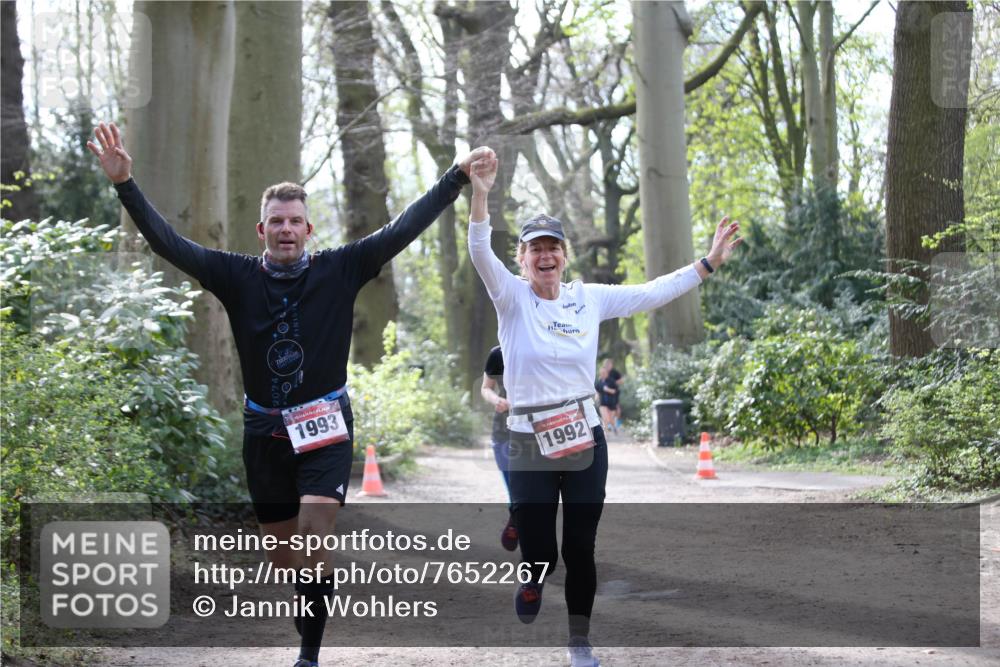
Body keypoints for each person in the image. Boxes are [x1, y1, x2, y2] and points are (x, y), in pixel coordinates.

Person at [87, 121, 490, 667]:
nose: (286, 229)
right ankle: (312, 597)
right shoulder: (233, 276)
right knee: (287, 557)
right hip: (264, 430)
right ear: (261, 229)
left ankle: (309, 654)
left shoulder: (342, 268)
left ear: (309, 228)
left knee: (315, 523)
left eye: (295, 221)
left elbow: (402, 229)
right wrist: (125, 184)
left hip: (326, 422)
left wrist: (455, 177)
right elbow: (169, 244)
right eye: (276, 221)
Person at [464, 153, 741, 667]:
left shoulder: (587, 299)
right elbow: (479, 247)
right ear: (521, 259)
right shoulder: (511, 299)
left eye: (552, 248)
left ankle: (579, 643)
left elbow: (650, 292)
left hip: (584, 436)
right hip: (528, 439)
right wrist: (480, 193)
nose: (544, 257)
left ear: (564, 256)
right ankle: (531, 580)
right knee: (542, 554)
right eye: (534, 250)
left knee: (581, 551)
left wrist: (707, 264)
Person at [481, 346, 518, 550]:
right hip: (503, 430)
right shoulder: (498, 353)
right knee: (515, 490)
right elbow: (486, 387)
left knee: (530, 492)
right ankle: (516, 515)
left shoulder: (543, 346)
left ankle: (531, 552)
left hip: (537, 429)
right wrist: (497, 400)